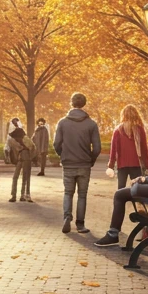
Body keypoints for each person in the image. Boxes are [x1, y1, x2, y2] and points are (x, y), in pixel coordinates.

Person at [95, 129, 148, 247]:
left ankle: (115, 234)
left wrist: (145, 180)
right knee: (120, 194)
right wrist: (143, 179)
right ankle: (113, 234)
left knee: (131, 191)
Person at [54, 92, 101, 234]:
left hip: (68, 164)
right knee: (82, 195)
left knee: (68, 193)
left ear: (71, 103)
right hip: (84, 164)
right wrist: (90, 160)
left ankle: (67, 217)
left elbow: (56, 143)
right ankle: (80, 225)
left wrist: (63, 156)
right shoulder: (91, 124)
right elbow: (97, 148)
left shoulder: (62, 123)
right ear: (84, 104)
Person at [106, 104, 148, 188]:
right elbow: (144, 149)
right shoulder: (140, 129)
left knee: (121, 188)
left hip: (122, 164)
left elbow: (113, 150)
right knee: (137, 188)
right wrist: (146, 166)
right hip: (136, 164)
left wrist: (111, 165)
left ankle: (120, 201)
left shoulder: (118, 130)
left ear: (123, 115)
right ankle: (135, 201)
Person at [6, 119, 37, 202]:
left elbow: (33, 148)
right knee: (24, 177)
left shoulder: (15, 139)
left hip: (24, 158)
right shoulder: (23, 138)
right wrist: (31, 157)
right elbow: (33, 148)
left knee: (19, 177)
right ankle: (21, 195)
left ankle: (19, 195)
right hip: (23, 158)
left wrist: (29, 157)